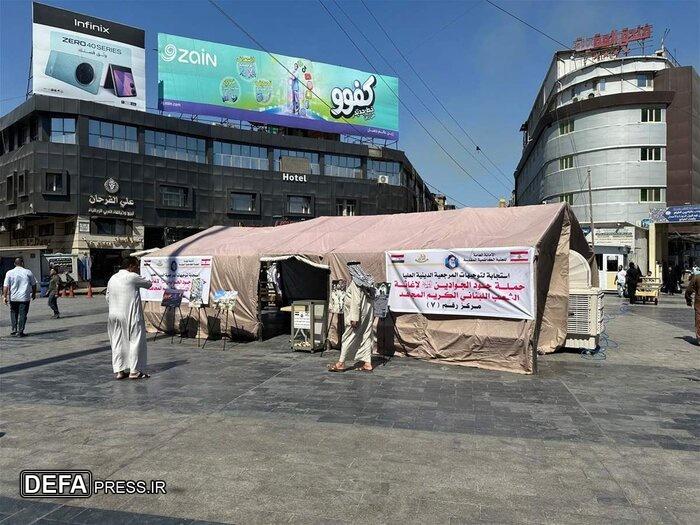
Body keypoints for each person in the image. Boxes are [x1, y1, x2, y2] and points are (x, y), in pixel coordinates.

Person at [106, 257, 153, 380]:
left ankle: (119, 371)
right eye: (137, 266)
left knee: (117, 341)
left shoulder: (112, 278)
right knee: (135, 340)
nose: (137, 269)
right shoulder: (132, 276)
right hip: (130, 314)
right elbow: (149, 284)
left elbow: (107, 297)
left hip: (113, 315)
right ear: (131, 266)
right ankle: (134, 371)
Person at [328, 262, 375, 372]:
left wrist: (354, 318)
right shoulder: (368, 283)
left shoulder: (355, 284)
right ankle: (368, 363)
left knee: (347, 338)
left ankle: (341, 363)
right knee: (366, 337)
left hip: (357, 317)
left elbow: (355, 302)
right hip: (367, 316)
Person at [2, 257, 37, 337]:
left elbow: (5, 286)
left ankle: (14, 329)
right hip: (24, 298)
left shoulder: (9, 273)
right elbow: (34, 284)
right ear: (22, 263)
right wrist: (34, 293)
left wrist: (4, 297)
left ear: (14, 264)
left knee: (13, 313)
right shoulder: (28, 272)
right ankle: (20, 331)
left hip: (13, 298)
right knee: (23, 314)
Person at [685, 272, 700, 344]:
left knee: (698, 318)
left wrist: (688, 299)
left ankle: (699, 337)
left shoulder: (697, 277)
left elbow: (689, 289)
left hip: (699, 301)